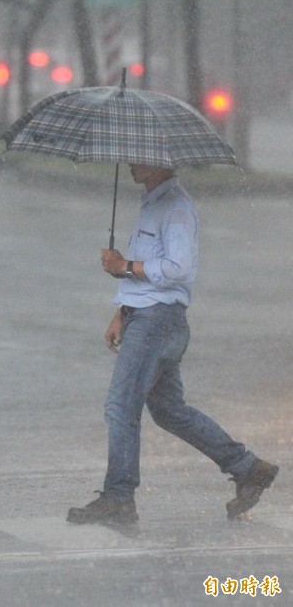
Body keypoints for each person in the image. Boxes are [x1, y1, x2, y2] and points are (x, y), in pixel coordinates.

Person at [67, 164, 278, 526]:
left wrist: (125, 264)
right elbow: (141, 275)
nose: (132, 163)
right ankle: (247, 467)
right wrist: (122, 310)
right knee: (168, 410)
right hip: (145, 317)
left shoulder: (176, 207)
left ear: (162, 162)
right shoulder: (151, 203)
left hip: (157, 322)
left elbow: (178, 268)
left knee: (121, 406)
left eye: (140, 157)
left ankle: (119, 497)